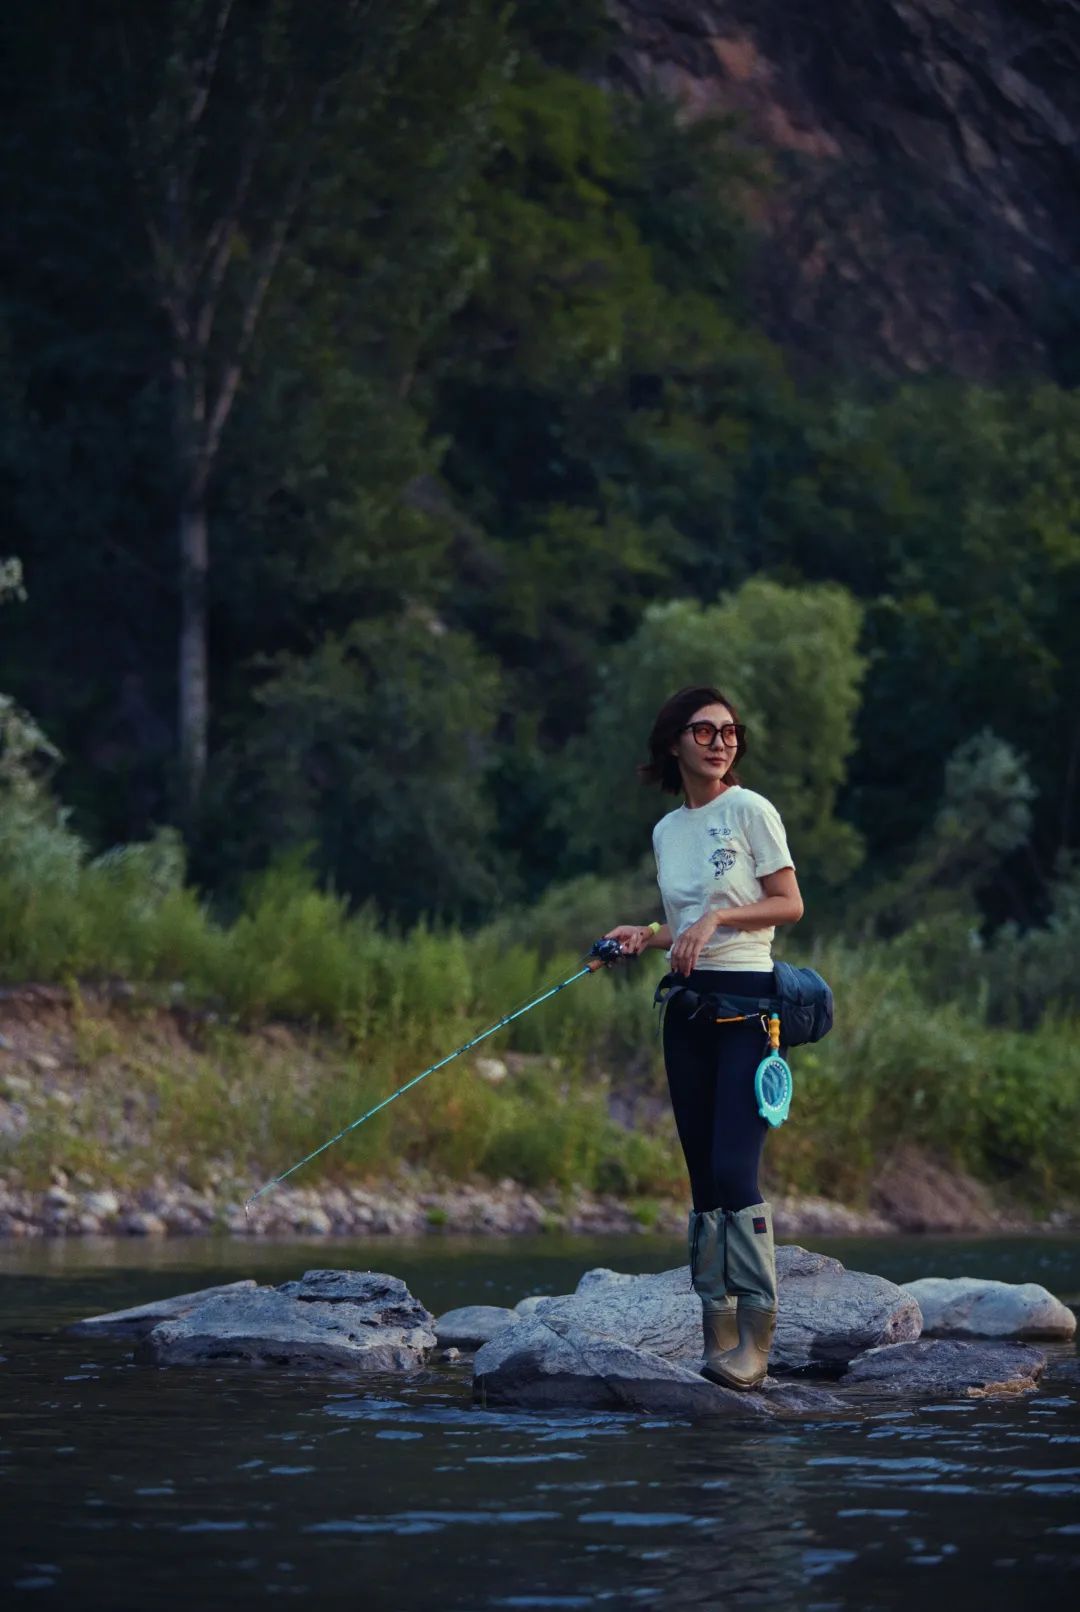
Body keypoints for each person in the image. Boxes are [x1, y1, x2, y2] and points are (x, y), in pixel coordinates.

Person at [605, 686, 803, 1390]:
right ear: (673, 744)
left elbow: (789, 903)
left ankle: (756, 1338)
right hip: (686, 1009)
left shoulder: (749, 810)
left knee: (731, 1170)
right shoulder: (667, 830)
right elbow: (685, 919)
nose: (721, 741)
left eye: (730, 731)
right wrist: (646, 933)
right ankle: (714, 1329)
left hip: (748, 1004)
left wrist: (717, 924)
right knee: (699, 1180)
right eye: (704, 730)